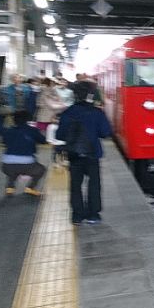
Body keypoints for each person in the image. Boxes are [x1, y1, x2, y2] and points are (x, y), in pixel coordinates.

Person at [56, 81, 112, 225]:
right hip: (92, 153)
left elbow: (60, 135)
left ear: (74, 94)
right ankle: (93, 215)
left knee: (75, 185)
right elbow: (105, 132)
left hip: (74, 154)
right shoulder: (97, 112)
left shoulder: (67, 112)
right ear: (90, 95)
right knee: (94, 184)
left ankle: (77, 215)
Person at [0, 110, 47, 196]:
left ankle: (10, 188)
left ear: (14, 120)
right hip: (28, 166)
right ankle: (30, 188)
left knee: (13, 169)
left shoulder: (8, 131)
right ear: (27, 120)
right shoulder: (33, 131)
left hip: (6, 166)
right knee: (41, 169)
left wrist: (3, 115)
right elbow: (43, 141)